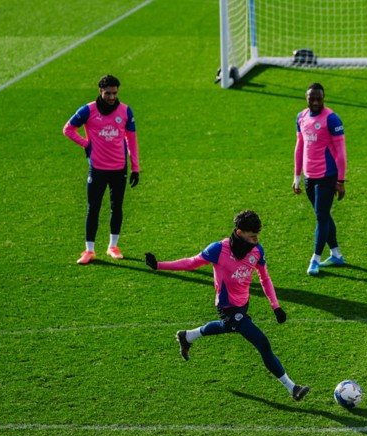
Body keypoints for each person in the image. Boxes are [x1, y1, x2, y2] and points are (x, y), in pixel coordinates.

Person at [143, 210, 310, 402]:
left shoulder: (256, 251)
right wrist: (159, 265)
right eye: (252, 236)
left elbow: (264, 277)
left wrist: (276, 306)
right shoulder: (218, 249)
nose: (256, 241)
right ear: (239, 233)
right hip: (227, 307)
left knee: (228, 327)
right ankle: (293, 388)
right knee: (262, 342)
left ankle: (188, 336)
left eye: (257, 236)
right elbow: (191, 263)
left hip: (243, 304)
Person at [63, 74, 140, 265]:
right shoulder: (88, 111)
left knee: (117, 207)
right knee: (93, 208)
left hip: (118, 168)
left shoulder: (125, 111)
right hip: (97, 169)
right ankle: (89, 250)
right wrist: (86, 145)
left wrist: (135, 168)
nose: (112, 97)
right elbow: (68, 129)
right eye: (108, 93)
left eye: (115, 93)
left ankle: (113, 246)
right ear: (100, 91)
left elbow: (132, 140)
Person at [293, 82, 348, 276]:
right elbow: (300, 147)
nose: (315, 102)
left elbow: (341, 152)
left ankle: (315, 259)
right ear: (306, 98)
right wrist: (297, 176)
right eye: (312, 98)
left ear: (323, 98)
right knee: (322, 214)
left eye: (319, 98)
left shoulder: (332, 119)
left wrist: (341, 181)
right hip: (309, 176)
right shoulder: (301, 117)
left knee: (321, 216)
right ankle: (336, 254)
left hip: (327, 176)